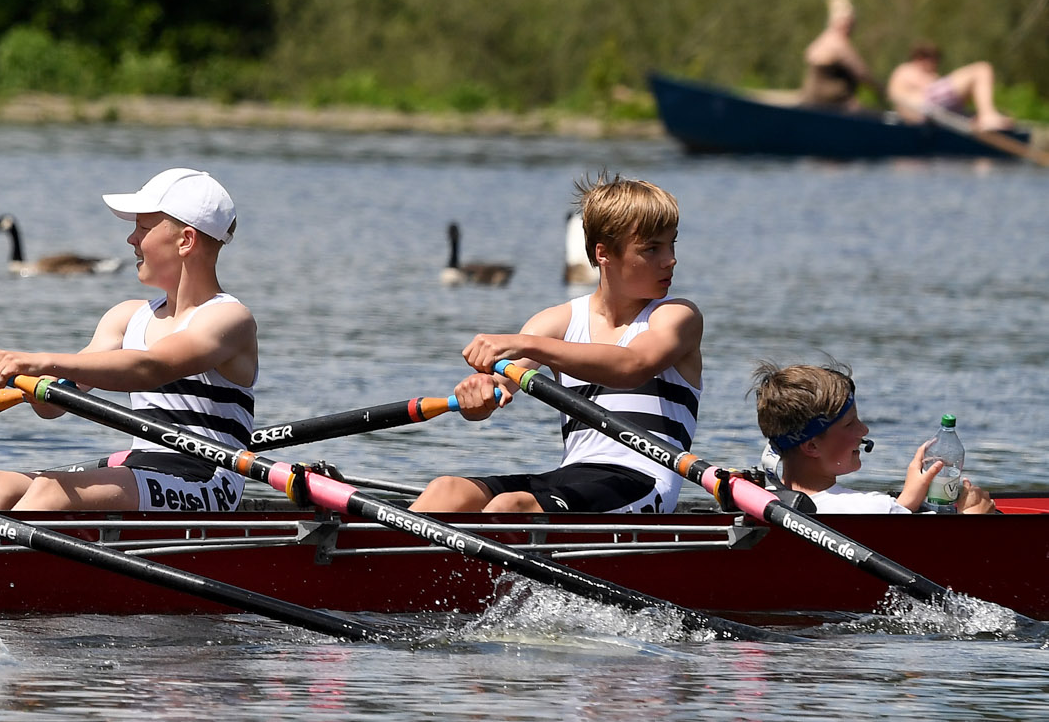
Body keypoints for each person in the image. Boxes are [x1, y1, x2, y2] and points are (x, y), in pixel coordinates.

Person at [0, 168, 253, 514]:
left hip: (208, 478)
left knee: (50, 492)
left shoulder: (229, 318)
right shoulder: (126, 317)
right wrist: (35, 386)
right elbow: (54, 405)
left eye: (142, 229)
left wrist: (36, 361)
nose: (131, 240)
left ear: (185, 241)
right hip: (143, 466)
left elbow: (149, 368)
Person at [413, 174, 700, 516]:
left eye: (672, 245)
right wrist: (478, 392)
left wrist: (527, 344)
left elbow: (632, 365)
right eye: (652, 248)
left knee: (510, 507)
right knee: (447, 490)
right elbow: (497, 390)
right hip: (573, 476)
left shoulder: (677, 317)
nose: (670, 260)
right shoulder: (556, 322)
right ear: (604, 254)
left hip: (644, 481)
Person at [753, 363, 996, 515]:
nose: (864, 430)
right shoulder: (873, 509)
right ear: (812, 446)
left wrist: (906, 502)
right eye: (850, 424)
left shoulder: (760, 501)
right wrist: (975, 518)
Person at [887, 41, 1017, 131]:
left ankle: (985, 116)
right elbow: (900, 98)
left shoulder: (918, 75)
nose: (935, 62)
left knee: (975, 92)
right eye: (931, 58)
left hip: (933, 113)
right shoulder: (907, 70)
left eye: (936, 58)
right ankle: (988, 116)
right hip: (925, 108)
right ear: (919, 58)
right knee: (982, 69)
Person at [800, 0, 874, 110]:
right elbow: (862, 74)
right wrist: (883, 90)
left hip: (815, 103)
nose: (849, 25)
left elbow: (808, 54)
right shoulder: (838, 43)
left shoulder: (824, 39)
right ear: (834, 21)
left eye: (850, 22)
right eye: (845, 21)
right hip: (830, 107)